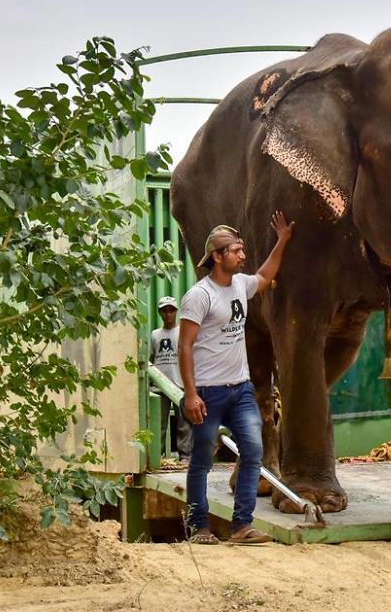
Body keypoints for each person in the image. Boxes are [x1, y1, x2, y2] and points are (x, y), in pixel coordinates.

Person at [179, 212, 294, 545]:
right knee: (202, 460)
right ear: (217, 256)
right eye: (235, 250)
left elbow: (264, 275)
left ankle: (241, 526)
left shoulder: (241, 286)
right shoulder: (200, 296)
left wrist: (282, 241)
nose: (242, 256)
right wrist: (190, 394)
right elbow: (185, 346)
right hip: (208, 393)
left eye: (242, 250)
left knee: (254, 450)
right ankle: (199, 527)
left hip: (241, 389)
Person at [149, 296, 191, 462]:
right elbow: (151, 360)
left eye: (171, 310)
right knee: (159, 424)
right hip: (160, 386)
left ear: (176, 312)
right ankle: (156, 456)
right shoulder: (155, 335)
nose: (168, 314)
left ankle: (185, 456)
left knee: (184, 423)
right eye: (164, 310)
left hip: (179, 385)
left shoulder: (182, 332)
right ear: (159, 313)